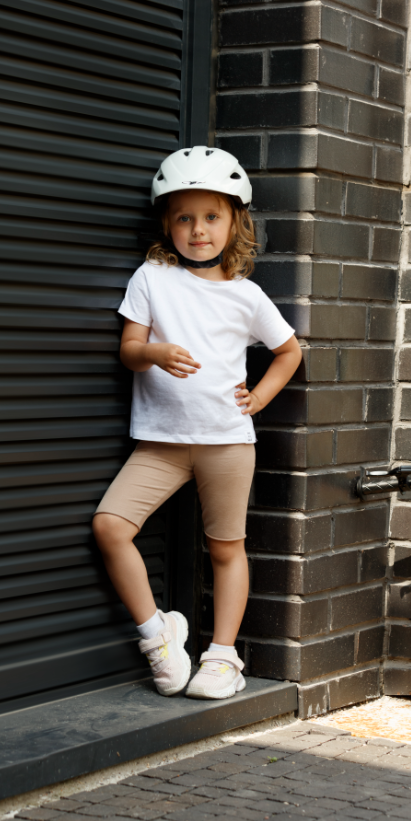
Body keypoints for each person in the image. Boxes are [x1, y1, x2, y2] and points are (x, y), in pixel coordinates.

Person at [92, 146, 302, 700]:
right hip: (161, 443)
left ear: (235, 222)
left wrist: (259, 397)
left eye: (211, 216)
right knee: (110, 527)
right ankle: (158, 634)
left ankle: (223, 657)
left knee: (226, 548)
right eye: (184, 217)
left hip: (226, 441)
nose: (198, 229)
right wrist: (155, 353)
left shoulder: (246, 296)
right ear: (168, 223)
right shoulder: (151, 278)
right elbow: (128, 350)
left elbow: (289, 352)